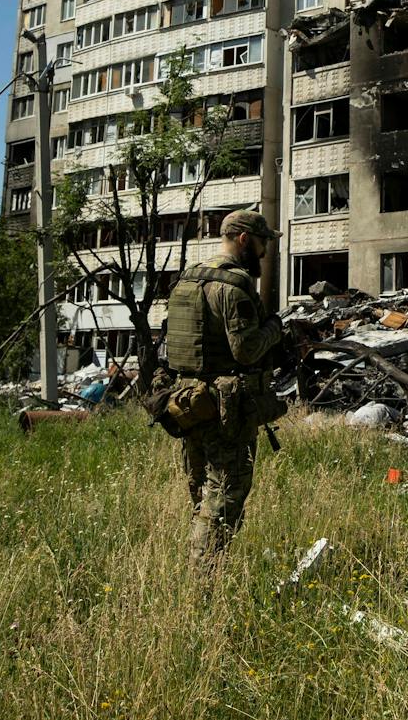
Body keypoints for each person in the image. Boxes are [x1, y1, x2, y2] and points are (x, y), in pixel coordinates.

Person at [154, 209, 287, 565]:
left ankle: (201, 568)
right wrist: (275, 328)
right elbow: (245, 350)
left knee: (201, 493)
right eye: (261, 244)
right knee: (226, 494)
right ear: (244, 238)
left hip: (186, 403)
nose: (263, 253)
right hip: (225, 410)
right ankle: (204, 578)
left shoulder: (187, 279)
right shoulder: (234, 285)